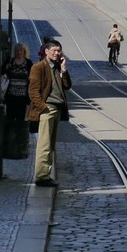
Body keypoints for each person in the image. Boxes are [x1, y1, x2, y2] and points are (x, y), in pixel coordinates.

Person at [29, 38, 72, 186]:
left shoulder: (58, 67)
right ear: (46, 51)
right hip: (47, 109)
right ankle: (41, 176)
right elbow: (33, 91)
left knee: (51, 144)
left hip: (57, 108)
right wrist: (43, 107)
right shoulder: (38, 67)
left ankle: (45, 174)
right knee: (44, 144)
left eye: (59, 51)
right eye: (54, 50)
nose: (57, 53)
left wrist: (64, 70)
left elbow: (67, 85)